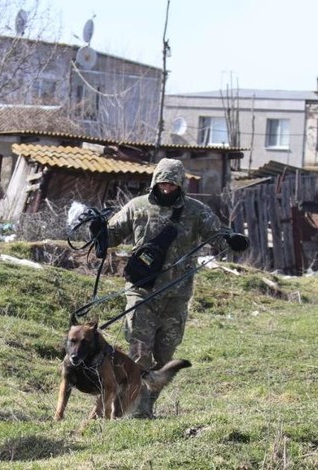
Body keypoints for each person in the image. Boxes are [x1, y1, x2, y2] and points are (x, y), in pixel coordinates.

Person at [97, 158, 248, 418]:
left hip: (176, 297)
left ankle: (145, 405)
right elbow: (111, 235)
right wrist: (98, 233)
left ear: (180, 185)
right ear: (155, 182)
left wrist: (233, 241)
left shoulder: (196, 211)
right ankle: (129, 410)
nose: (166, 189)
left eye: (172, 185)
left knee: (164, 356)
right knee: (138, 355)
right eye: (162, 184)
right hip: (141, 292)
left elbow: (218, 235)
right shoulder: (137, 207)